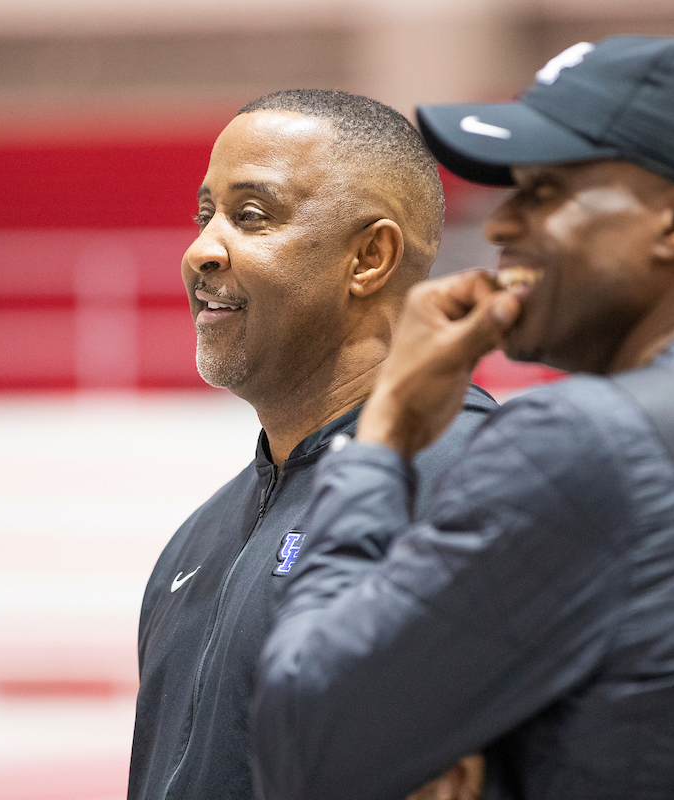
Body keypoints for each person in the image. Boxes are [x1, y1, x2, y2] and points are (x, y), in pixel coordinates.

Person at [252, 37, 674, 800]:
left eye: (544, 191)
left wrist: (383, 435)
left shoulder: (582, 442)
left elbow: (304, 742)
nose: (503, 223)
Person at [127, 89, 497, 800]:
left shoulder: (481, 488)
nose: (201, 249)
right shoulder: (194, 541)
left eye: (251, 216)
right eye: (205, 215)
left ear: (370, 257)